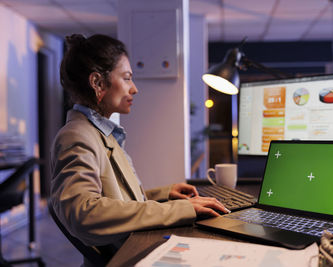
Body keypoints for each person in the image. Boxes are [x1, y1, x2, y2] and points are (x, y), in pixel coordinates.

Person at [50, 34, 228, 265]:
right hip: (127, 257)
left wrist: (164, 194)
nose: (134, 89)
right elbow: (84, 213)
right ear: (98, 83)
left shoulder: (100, 133)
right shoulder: (77, 136)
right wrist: (178, 209)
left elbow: (116, 200)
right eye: (126, 78)